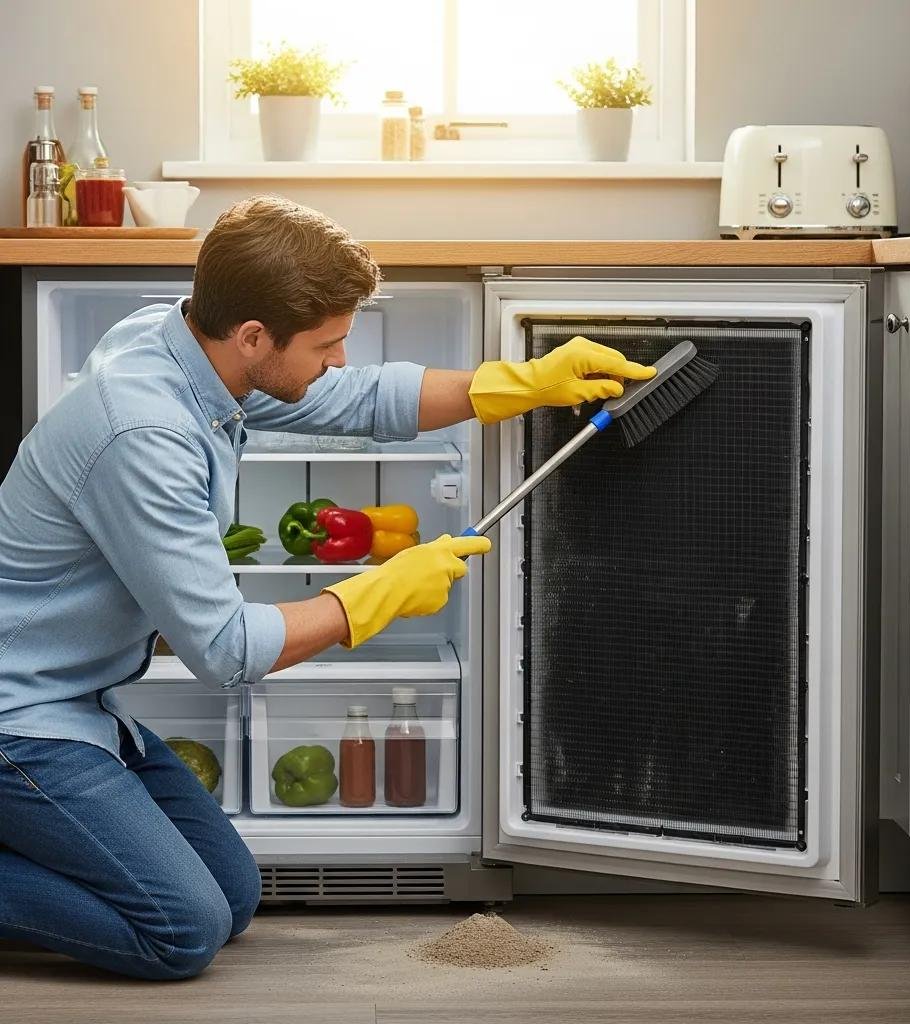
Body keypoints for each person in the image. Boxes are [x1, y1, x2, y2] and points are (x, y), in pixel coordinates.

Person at [0, 196, 655, 980]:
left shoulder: (178, 343)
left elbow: (353, 397)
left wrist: (517, 383)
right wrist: (378, 591)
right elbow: (226, 650)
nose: (340, 359)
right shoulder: (145, 433)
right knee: (183, 931)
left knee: (233, 895)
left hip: (80, 699)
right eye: (327, 343)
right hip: (19, 716)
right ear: (253, 337)